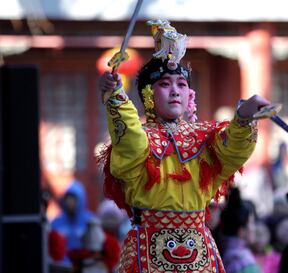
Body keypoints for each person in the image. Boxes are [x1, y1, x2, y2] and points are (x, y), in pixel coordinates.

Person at [98, 19, 271, 273]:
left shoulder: (204, 138)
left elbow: (233, 150)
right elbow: (132, 144)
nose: (175, 92)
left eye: (181, 85)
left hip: (199, 250)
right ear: (148, 95)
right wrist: (117, 98)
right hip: (149, 249)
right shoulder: (142, 139)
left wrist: (243, 118)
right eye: (165, 85)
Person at [50, 179, 95, 267]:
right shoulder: (57, 222)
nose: (70, 202)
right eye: (68, 199)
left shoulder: (90, 221)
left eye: (74, 199)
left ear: (81, 200)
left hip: (83, 268)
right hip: (61, 268)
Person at [219, 187, 262, 273]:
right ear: (241, 231)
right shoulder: (244, 261)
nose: (253, 228)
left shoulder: (218, 251)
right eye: (251, 223)